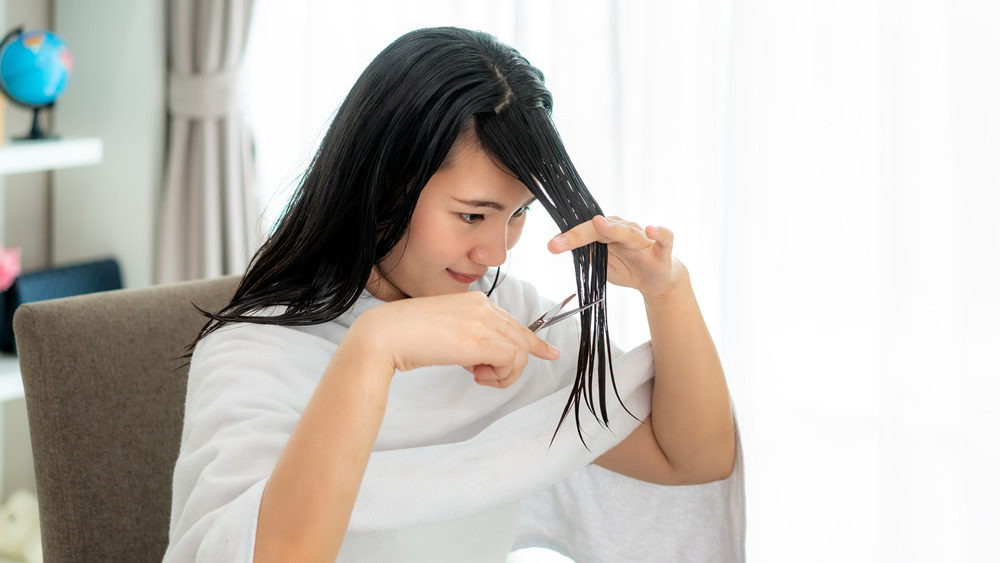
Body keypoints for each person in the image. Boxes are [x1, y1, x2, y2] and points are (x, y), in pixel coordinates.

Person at [165, 27, 744, 563]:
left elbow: (693, 458)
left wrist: (667, 291)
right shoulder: (253, 351)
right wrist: (376, 346)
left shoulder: (506, 320)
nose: (496, 252)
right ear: (383, 187)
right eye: (472, 215)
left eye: (518, 214)